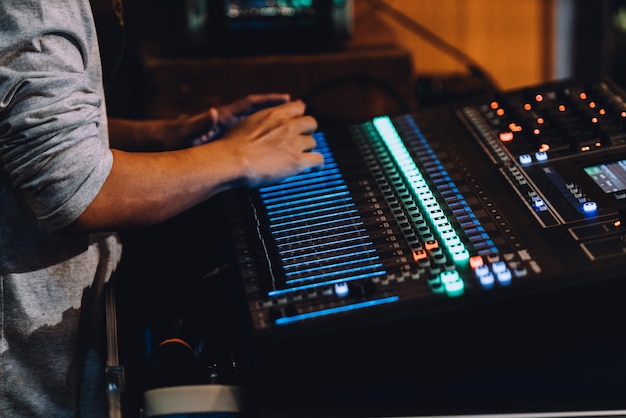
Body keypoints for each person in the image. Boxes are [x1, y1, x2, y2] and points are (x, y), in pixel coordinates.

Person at [0, 1, 324, 416]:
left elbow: (37, 124)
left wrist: (166, 134)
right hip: (26, 373)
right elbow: (76, 190)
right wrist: (238, 157)